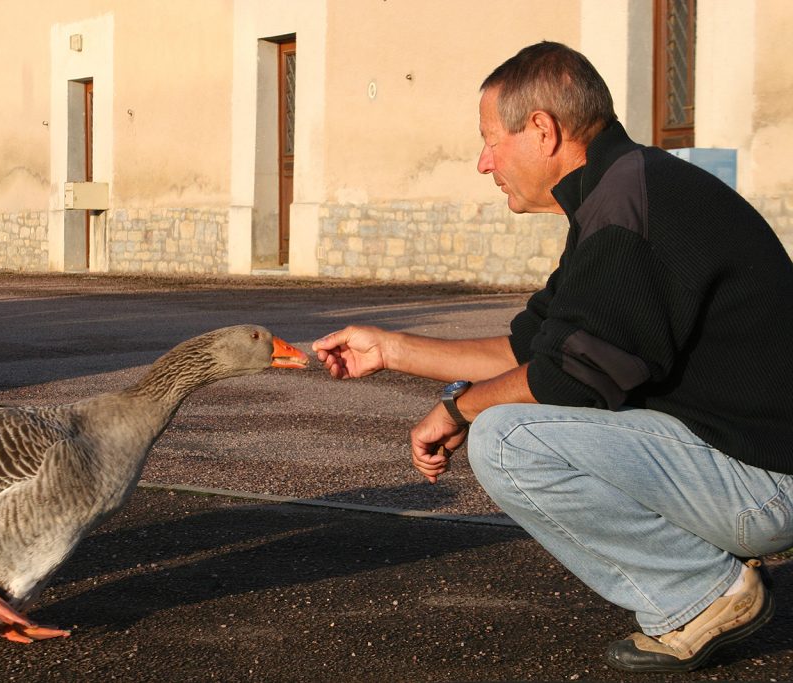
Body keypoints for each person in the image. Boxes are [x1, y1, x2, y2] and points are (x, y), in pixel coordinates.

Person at [313, 41, 793, 673]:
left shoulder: (627, 208)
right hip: (746, 463)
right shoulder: (624, 190)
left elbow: (571, 378)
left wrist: (459, 410)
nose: (484, 162)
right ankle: (705, 576)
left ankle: (706, 595)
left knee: (508, 440)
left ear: (542, 130)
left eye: (490, 139)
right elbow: (531, 347)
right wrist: (392, 348)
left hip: (766, 482)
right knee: (509, 415)